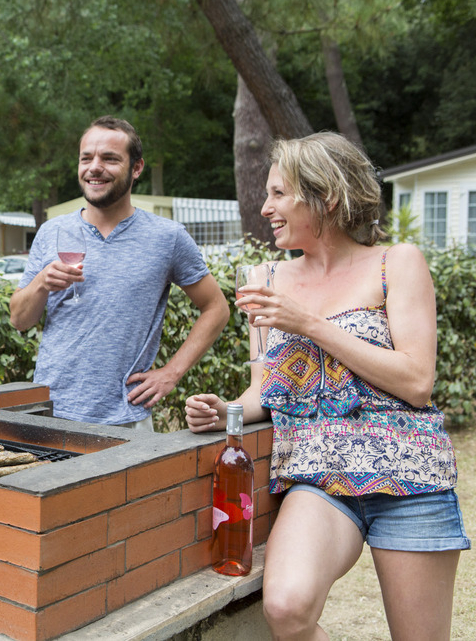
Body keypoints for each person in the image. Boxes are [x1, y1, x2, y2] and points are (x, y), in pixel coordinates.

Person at [185, 132, 469, 640]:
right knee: (287, 608)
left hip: (411, 479)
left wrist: (311, 324)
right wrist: (225, 410)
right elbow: (263, 391)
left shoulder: (396, 263)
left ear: (326, 196)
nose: (264, 206)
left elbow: (417, 381)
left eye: (278, 194)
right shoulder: (264, 278)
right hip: (318, 479)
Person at [10, 116, 229, 428]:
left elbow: (217, 308)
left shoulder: (167, 238)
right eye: (86, 158)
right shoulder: (51, 232)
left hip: (127, 418)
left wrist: (172, 372)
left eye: (109, 159)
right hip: (51, 412)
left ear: (136, 168)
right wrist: (42, 283)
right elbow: (20, 319)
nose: (94, 167)